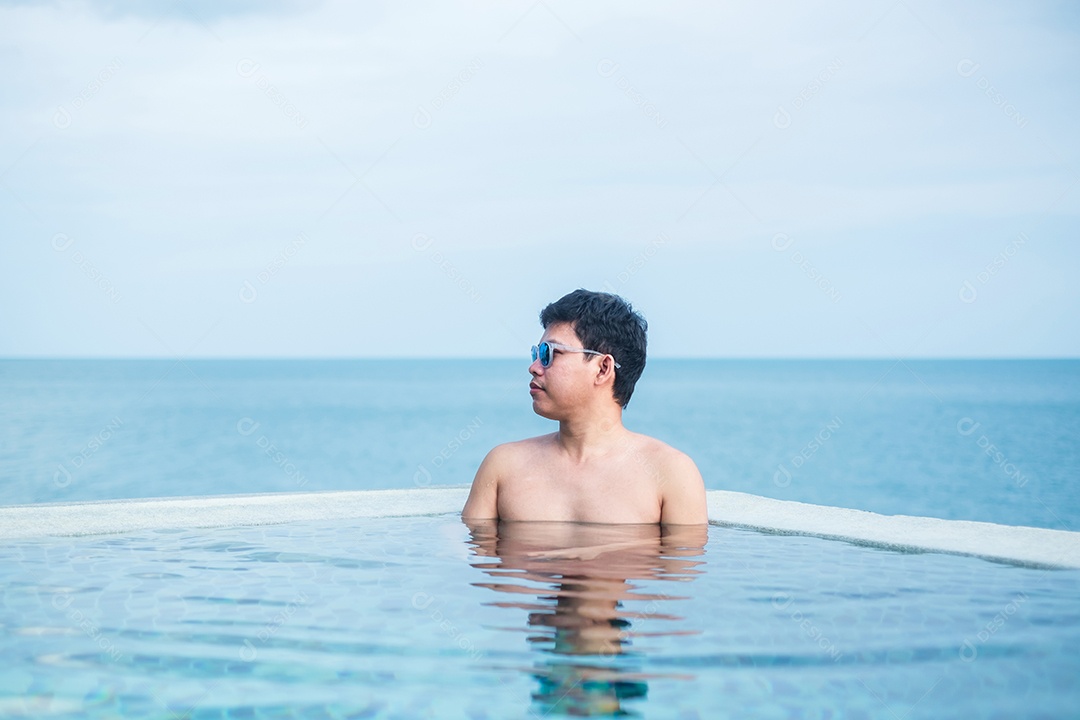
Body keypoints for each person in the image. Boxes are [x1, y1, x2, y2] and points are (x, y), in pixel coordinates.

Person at [462, 289, 708, 524]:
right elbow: (470, 550)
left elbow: (685, 555)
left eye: (549, 353)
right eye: (536, 353)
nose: (534, 367)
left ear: (602, 369)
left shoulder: (670, 474)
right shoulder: (503, 466)